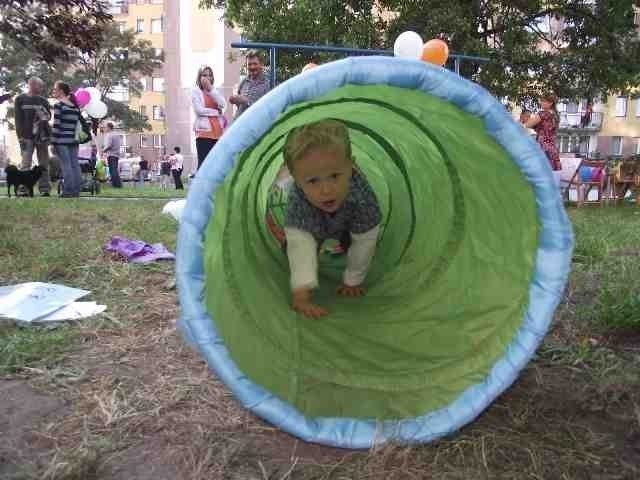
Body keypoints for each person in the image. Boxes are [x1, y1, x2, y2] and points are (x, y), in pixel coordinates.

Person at [283, 119, 382, 319]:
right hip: (311, 221)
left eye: (335, 175)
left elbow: (366, 240)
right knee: (298, 244)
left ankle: (341, 249)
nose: (326, 189)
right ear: (295, 178)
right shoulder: (298, 200)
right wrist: (301, 296)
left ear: (351, 166)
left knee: (357, 243)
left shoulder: (362, 197)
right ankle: (316, 253)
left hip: (347, 223)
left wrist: (352, 281)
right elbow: (299, 244)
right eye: (312, 181)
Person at [14, 77, 52, 196]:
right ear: (32, 85)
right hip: (26, 137)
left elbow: (48, 117)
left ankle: (45, 189)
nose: (41, 89)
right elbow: (18, 119)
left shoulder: (44, 101)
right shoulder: (20, 99)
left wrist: (43, 115)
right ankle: (23, 190)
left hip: (41, 137)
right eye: (40, 86)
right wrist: (20, 137)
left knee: (43, 163)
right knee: (25, 163)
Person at [51, 81, 86, 197]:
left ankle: (68, 191)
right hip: (74, 140)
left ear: (61, 91)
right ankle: (76, 191)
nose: (53, 91)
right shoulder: (75, 107)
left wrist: (53, 142)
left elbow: (57, 125)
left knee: (66, 165)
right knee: (75, 165)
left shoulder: (59, 105)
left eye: (55, 89)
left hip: (62, 140)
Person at [191, 65, 226, 170]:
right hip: (204, 133)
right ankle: (201, 186)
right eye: (204, 75)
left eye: (210, 75)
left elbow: (223, 105)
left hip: (218, 132)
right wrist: (217, 112)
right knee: (203, 164)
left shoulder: (215, 91)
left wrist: (211, 89)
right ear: (199, 77)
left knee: (216, 165)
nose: (207, 78)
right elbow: (199, 110)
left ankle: (215, 186)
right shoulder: (195, 91)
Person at [522, 94, 562, 185]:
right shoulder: (555, 116)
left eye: (544, 101)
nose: (541, 103)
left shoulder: (543, 114)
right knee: (551, 171)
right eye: (541, 100)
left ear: (550, 103)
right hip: (552, 147)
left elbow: (527, 125)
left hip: (542, 146)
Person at [229, 51, 271, 119]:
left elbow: (268, 107)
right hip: (240, 122)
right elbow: (240, 105)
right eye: (249, 64)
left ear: (261, 64)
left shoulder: (268, 83)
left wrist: (246, 101)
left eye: (255, 64)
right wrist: (236, 100)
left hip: (256, 124)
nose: (252, 67)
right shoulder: (244, 82)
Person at [102, 122, 122, 188]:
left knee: (112, 170)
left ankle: (116, 185)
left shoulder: (110, 135)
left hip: (111, 154)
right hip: (116, 154)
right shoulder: (116, 134)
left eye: (105, 127)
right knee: (114, 170)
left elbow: (109, 145)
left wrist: (103, 151)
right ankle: (118, 184)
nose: (104, 128)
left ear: (109, 127)